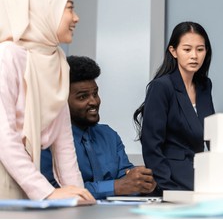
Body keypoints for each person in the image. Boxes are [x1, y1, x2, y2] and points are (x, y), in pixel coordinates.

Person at [0, 0, 95, 201]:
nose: (76, 18)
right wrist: (48, 192)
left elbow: (64, 144)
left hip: (25, 178)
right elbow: (4, 136)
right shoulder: (7, 56)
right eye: (69, 8)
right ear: (43, 9)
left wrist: (81, 196)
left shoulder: (58, 61)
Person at [41, 56, 157, 200]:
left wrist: (140, 181)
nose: (94, 102)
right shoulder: (47, 140)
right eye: (82, 97)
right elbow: (52, 190)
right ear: (61, 101)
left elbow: (124, 177)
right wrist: (115, 187)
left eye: (95, 93)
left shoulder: (109, 135)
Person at [133, 21, 215, 192]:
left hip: (200, 172)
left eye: (200, 49)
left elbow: (211, 134)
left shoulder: (204, 85)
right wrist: (167, 187)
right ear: (173, 51)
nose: (194, 55)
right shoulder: (161, 87)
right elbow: (151, 145)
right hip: (171, 177)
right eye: (187, 49)